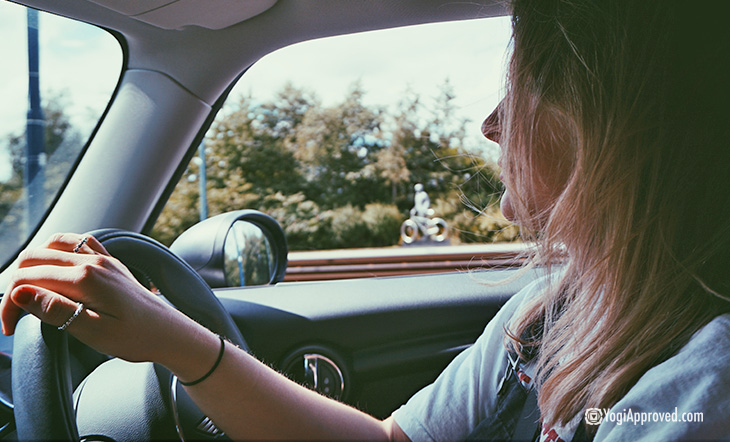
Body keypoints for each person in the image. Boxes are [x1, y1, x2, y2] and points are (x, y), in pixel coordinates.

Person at [3, 0, 730, 440]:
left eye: (527, 84)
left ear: (618, 123)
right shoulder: (554, 308)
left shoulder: (706, 380)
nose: (489, 123)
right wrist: (176, 342)